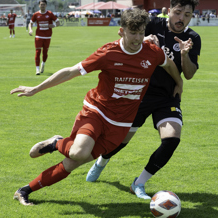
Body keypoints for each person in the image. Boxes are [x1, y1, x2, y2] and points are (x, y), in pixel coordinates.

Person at [11, 8, 183, 206]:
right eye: (132, 32)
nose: (137, 38)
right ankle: (57, 143)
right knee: (78, 153)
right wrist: (36, 88)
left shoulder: (152, 52)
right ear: (121, 31)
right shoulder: (109, 53)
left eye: (141, 32)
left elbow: (169, 65)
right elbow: (70, 72)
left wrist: (179, 83)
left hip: (120, 124)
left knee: (71, 163)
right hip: (97, 111)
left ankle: (24, 190)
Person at [86, 0, 201, 199]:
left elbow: (189, 74)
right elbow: (126, 40)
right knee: (119, 141)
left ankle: (139, 183)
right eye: (178, 12)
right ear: (170, 10)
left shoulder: (193, 38)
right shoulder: (152, 24)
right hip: (138, 93)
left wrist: (184, 54)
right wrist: (144, 39)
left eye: (187, 14)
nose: (181, 18)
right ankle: (101, 162)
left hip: (167, 96)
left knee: (172, 139)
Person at [29, 0, 60, 75]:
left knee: (45, 52)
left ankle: (43, 63)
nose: (42, 6)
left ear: (46, 5)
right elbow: (31, 23)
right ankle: (37, 69)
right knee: (37, 51)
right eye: (41, 4)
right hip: (38, 36)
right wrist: (30, 30)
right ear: (39, 5)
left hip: (47, 36)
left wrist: (54, 25)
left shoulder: (50, 14)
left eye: (44, 4)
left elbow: (58, 22)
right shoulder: (36, 14)